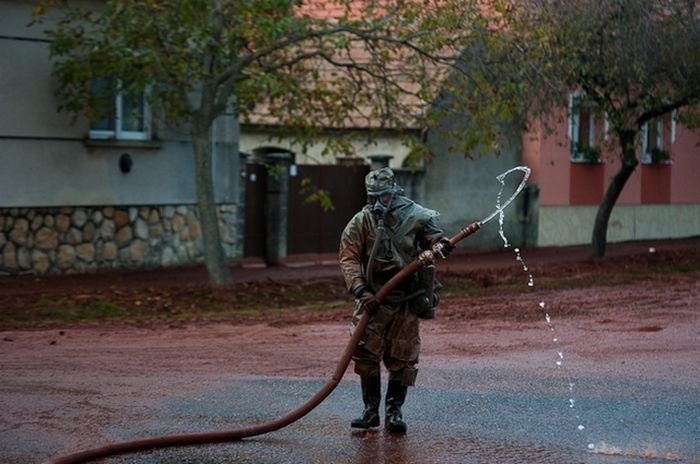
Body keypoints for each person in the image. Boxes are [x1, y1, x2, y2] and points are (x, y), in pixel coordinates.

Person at [338, 167, 453, 434]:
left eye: (386, 196)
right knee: (365, 354)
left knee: (404, 357)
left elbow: (435, 238)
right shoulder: (360, 222)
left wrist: (440, 244)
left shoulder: (415, 215)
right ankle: (370, 411)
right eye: (375, 197)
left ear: (395, 192)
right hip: (373, 301)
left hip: (405, 300)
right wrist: (361, 290)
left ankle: (394, 412)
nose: (381, 202)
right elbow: (349, 259)